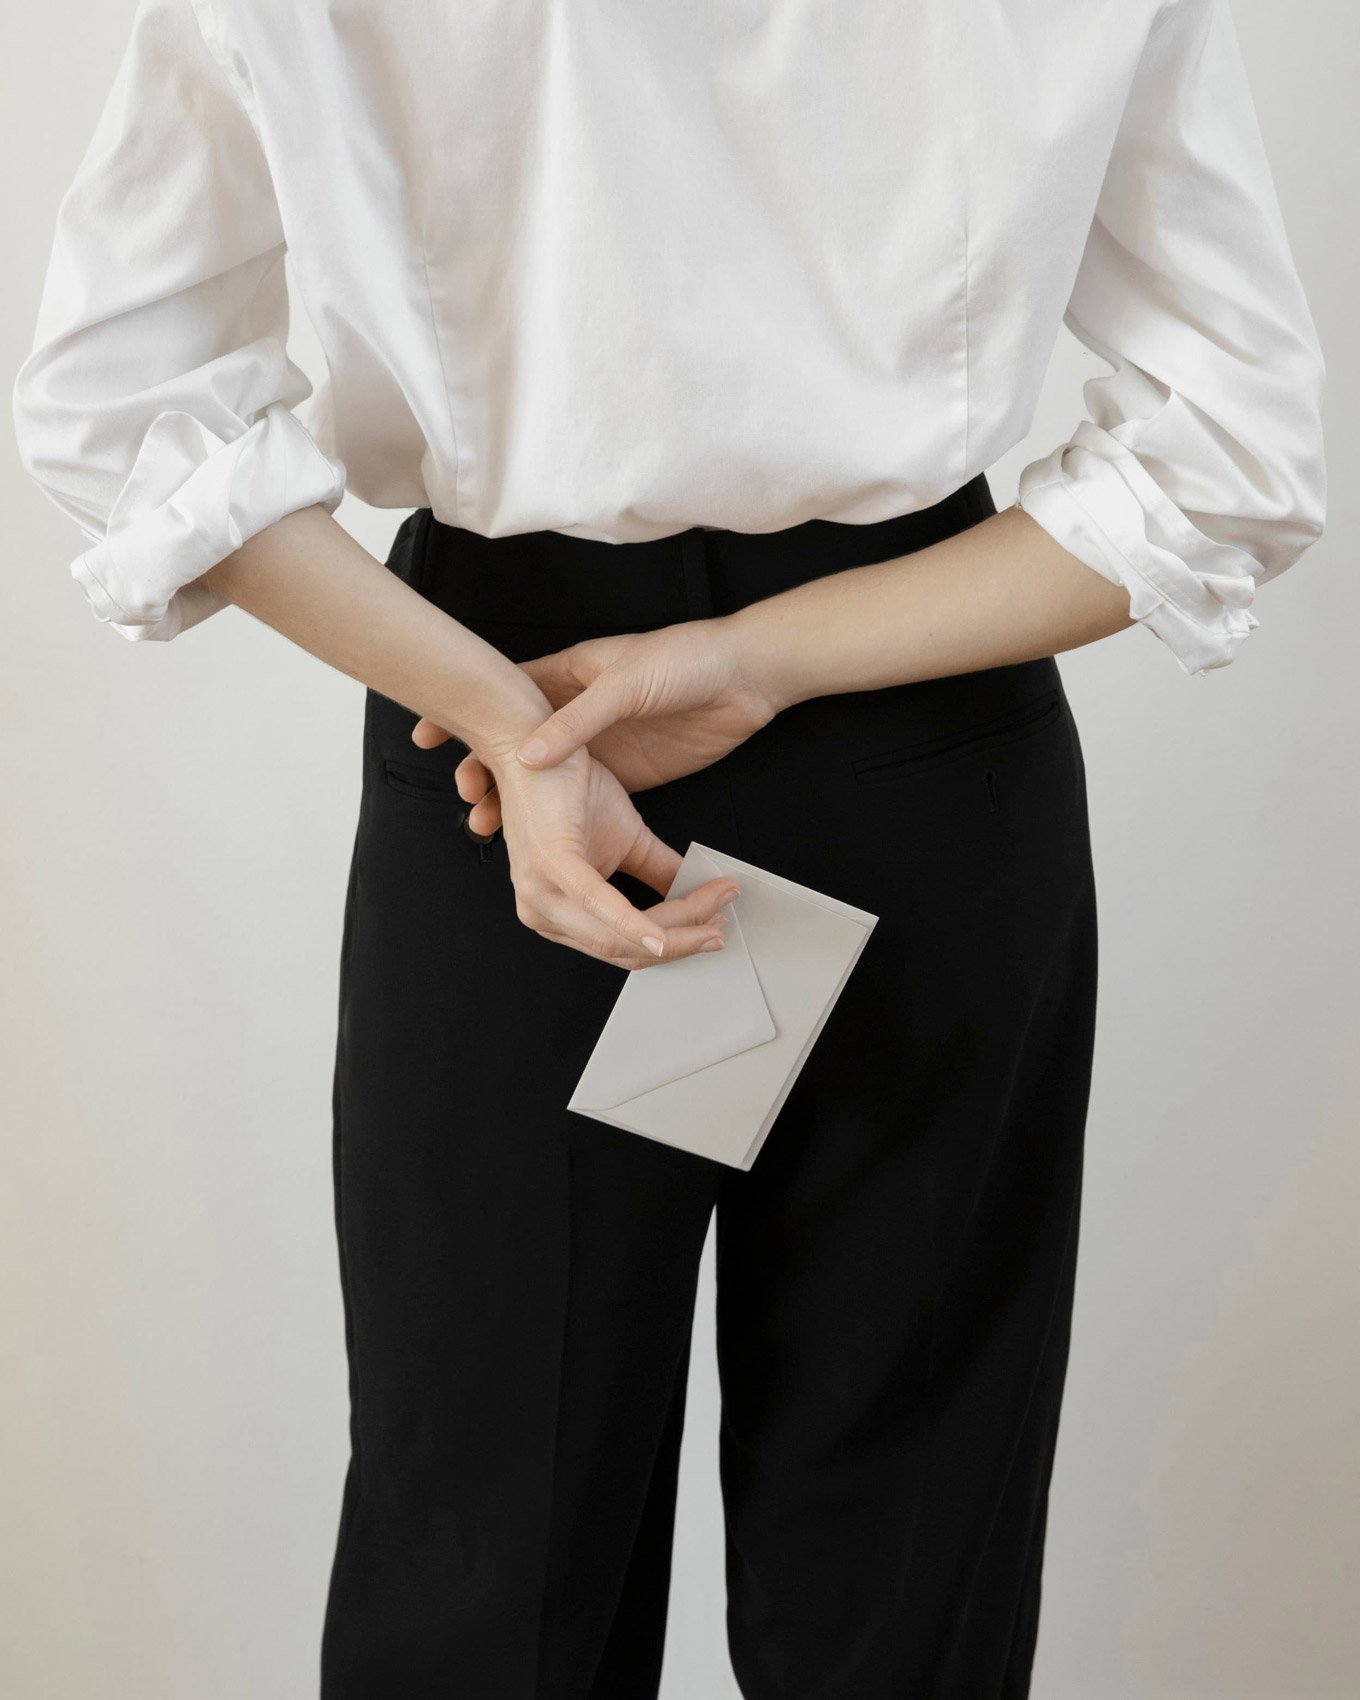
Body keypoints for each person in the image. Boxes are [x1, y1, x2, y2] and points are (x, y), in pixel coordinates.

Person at [12, 0, 1325, 1694]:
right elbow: (1233, 455)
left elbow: (122, 400)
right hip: (898, 743)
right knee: (900, 1578)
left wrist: (509, 719)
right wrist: (757, 663)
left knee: (488, 1574)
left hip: (528, 759)